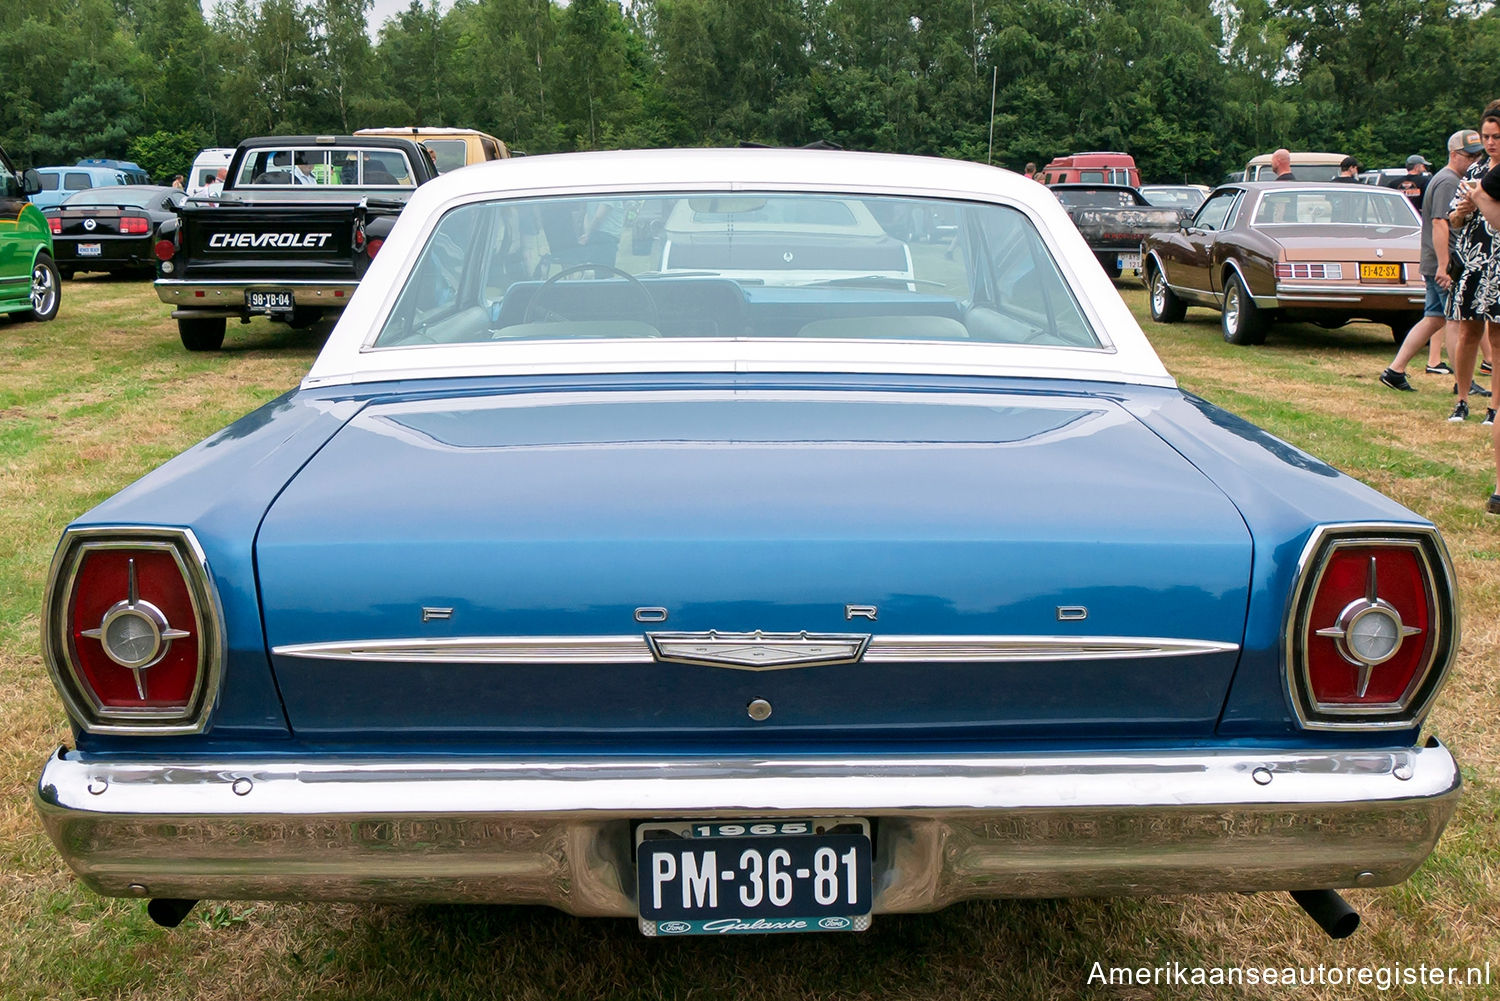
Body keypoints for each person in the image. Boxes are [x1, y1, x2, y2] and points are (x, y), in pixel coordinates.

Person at [1381, 130, 1484, 394]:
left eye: (1478, 155)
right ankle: (1463, 382)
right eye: (1469, 155)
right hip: (1445, 264)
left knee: (1434, 318)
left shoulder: (1446, 178)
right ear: (1453, 154)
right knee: (1455, 320)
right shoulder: (1449, 181)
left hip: (1437, 260)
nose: (1475, 160)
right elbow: (1441, 222)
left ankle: (1395, 370)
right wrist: (1443, 266)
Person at [1446, 105, 1500, 423]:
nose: (1491, 143)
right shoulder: (1475, 172)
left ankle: (1494, 407)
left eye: (1497, 137)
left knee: (1496, 336)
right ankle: (1462, 399)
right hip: (1472, 262)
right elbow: (1452, 219)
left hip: (1499, 261)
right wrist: (1464, 209)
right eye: (1486, 137)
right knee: (1468, 331)